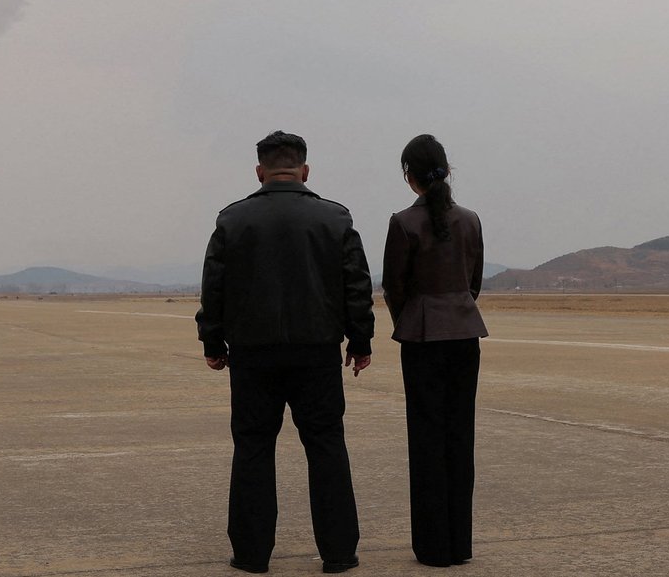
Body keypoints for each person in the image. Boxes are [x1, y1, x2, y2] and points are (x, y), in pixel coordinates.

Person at [197, 130, 375, 575]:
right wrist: (360, 340)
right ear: (304, 170)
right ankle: (338, 553)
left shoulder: (232, 221)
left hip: (254, 356)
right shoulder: (335, 219)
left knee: (253, 448)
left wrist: (212, 342)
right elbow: (357, 286)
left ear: (260, 172)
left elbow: (213, 287)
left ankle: (251, 554)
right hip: (316, 353)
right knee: (326, 446)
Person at [381, 134, 487, 569]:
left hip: (423, 338)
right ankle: (460, 543)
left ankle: (433, 547)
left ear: (410, 176)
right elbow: (474, 280)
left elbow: (394, 286)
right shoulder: (471, 220)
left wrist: (412, 319)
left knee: (426, 440)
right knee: (460, 438)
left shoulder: (403, 222)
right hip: (464, 333)